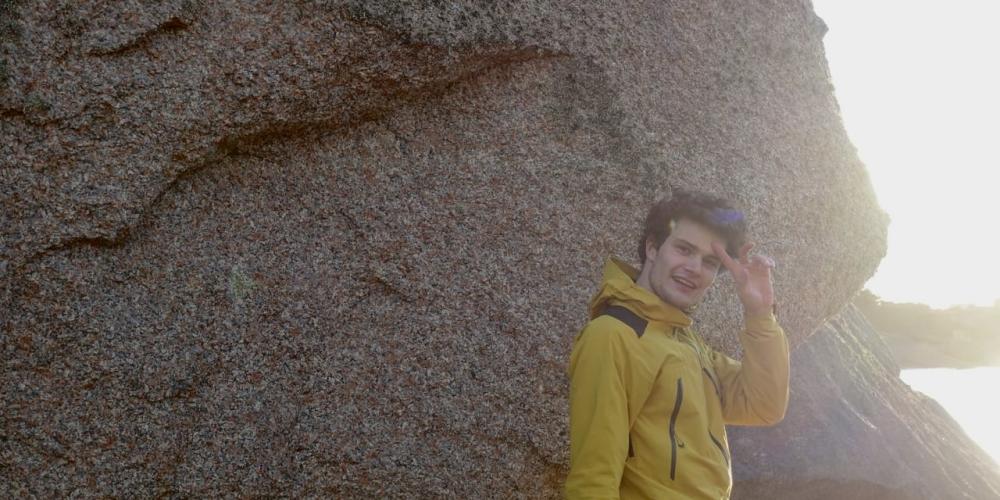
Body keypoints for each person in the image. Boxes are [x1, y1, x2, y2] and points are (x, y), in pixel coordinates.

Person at [565, 189, 790, 499]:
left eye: (709, 262)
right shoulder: (613, 335)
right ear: (653, 248)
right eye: (684, 249)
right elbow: (593, 480)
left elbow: (764, 406)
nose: (695, 268)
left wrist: (760, 315)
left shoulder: (689, 343)